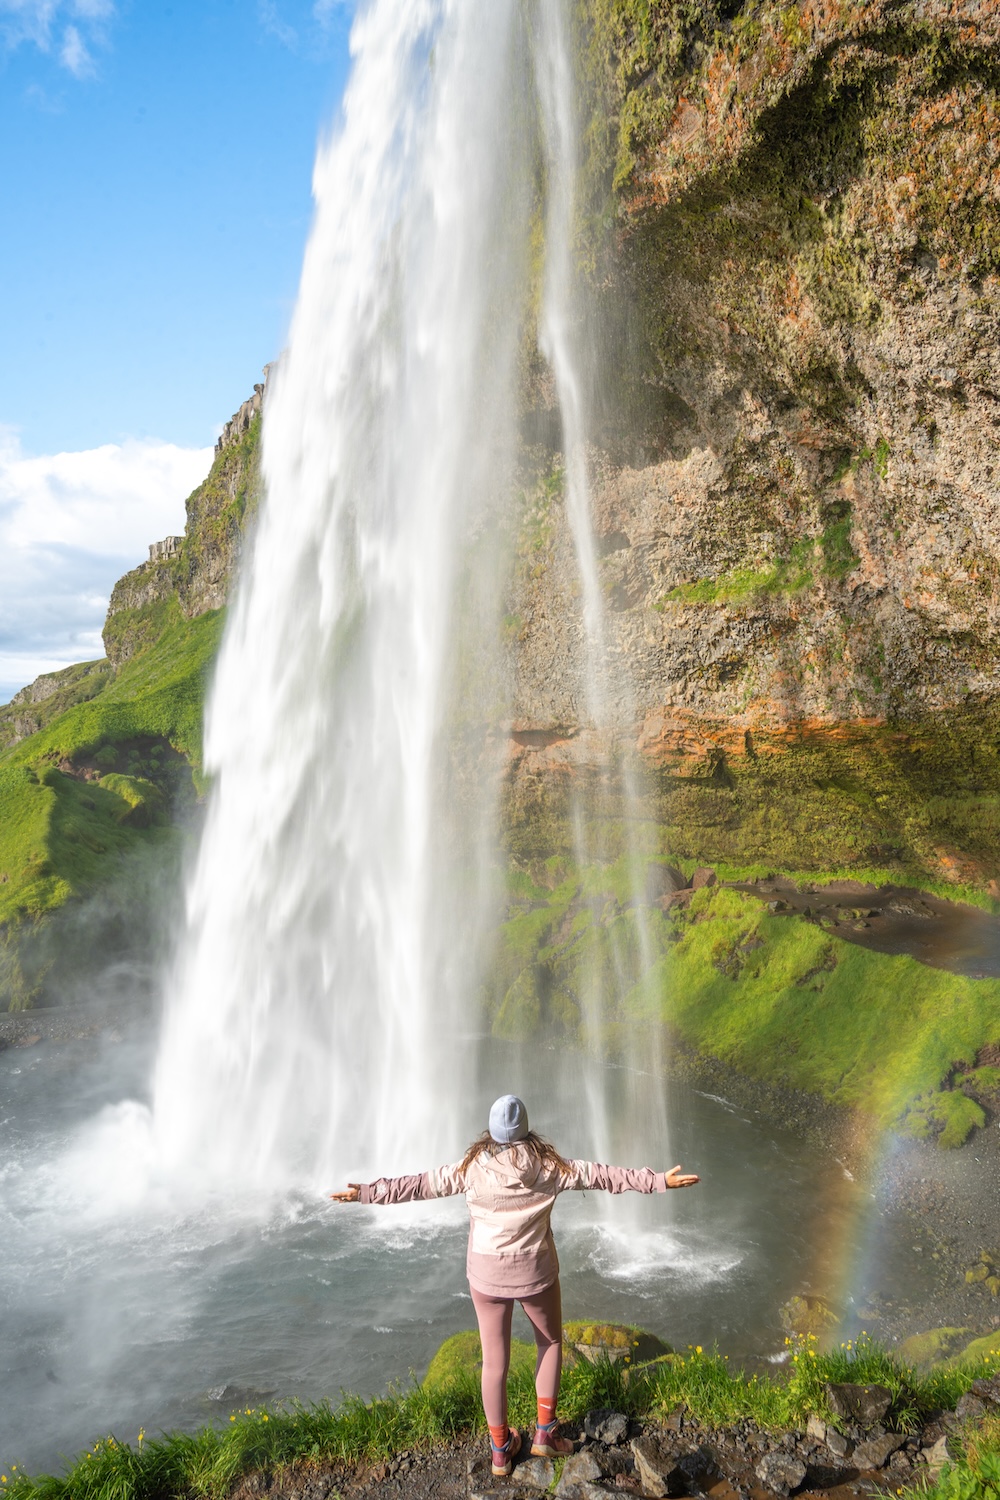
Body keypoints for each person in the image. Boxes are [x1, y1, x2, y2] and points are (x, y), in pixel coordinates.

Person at [330, 1093, 699, 1478]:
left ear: (491, 1132)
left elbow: (421, 1185)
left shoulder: (471, 1167)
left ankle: (501, 1451)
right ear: (526, 1129)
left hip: (486, 1277)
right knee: (551, 1342)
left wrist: (367, 1192)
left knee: (494, 1362)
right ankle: (545, 1433)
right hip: (535, 1273)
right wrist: (657, 1181)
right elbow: (602, 1175)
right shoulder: (549, 1166)